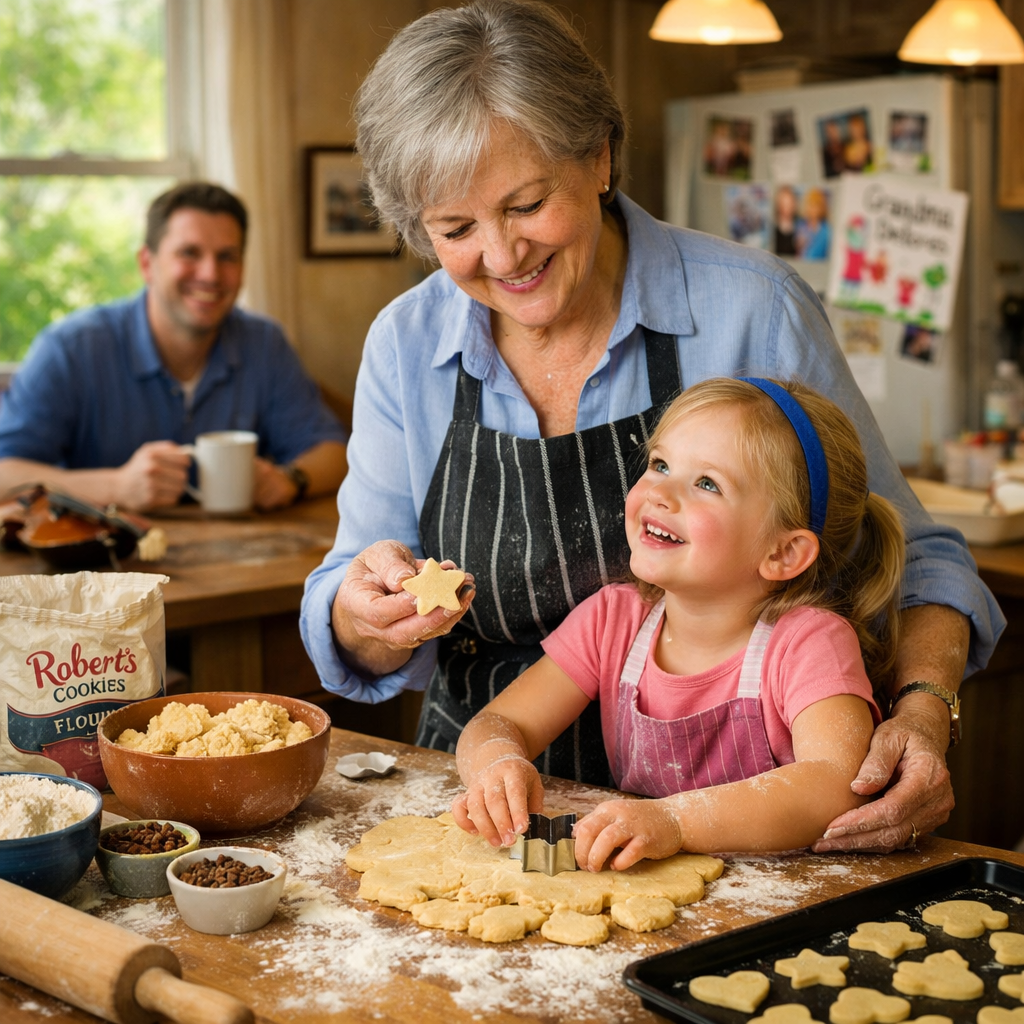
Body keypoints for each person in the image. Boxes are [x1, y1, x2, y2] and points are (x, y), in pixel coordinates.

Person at [300, 0, 1004, 854]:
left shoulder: (752, 309)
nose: (502, 255)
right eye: (454, 229)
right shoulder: (406, 344)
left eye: (525, 205)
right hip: (488, 810)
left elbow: (918, 557)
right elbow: (352, 594)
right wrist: (361, 613)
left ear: (597, 156)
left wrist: (928, 711)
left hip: (735, 822)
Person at [453, 378, 900, 865]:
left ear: (783, 552)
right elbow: (499, 722)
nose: (660, 492)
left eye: (707, 483)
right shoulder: (613, 621)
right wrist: (497, 764)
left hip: (778, 904)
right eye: (660, 464)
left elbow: (835, 783)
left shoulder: (809, 642)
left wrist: (676, 821)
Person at [0, 182, 348, 512]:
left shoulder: (265, 343)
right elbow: (5, 473)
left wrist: (290, 480)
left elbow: (333, 451)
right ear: (147, 264)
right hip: (103, 566)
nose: (210, 274)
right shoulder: (70, 349)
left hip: (245, 563)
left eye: (227, 256)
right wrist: (116, 487)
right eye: (189, 253)